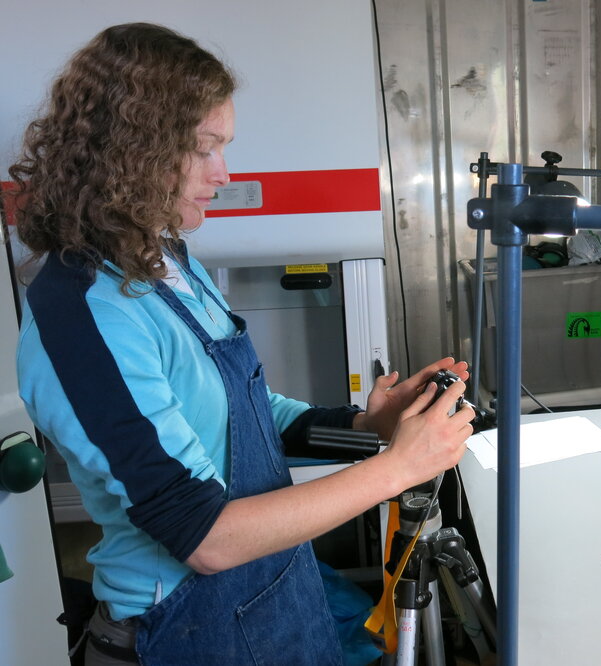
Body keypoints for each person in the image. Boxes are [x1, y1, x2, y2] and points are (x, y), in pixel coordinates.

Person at [8, 22, 475, 666]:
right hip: (191, 627)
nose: (223, 173)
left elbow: (244, 417)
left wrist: (366, 424)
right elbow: (206, 538)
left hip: (272, 590)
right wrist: (397, 467)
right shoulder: (83, 315)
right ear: (132, 153)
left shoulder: (163, 256)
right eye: (204, 149)